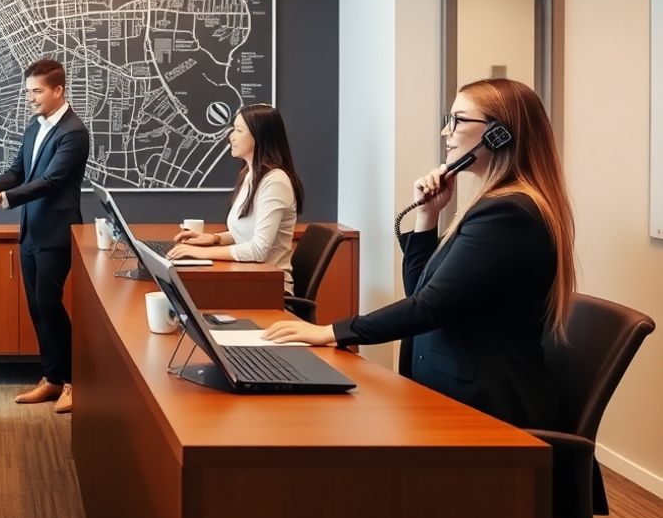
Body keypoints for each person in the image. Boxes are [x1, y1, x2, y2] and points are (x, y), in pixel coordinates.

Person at [264, 78, 574, 430]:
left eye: (458, 119)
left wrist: (333, 332)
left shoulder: (509, 214)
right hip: (450, 393)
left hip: (487, 410)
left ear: (498, 135)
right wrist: (427, 215)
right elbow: (421, 290)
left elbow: (430, 307)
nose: (446, 131)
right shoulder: (490, 207)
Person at [0, 58, 90, 414]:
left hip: (56, 234)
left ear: (58, 90)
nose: (30, 98)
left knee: (49, 305)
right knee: (36, 308)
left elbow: (52, 181)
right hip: (29, 233)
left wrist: (2, 200)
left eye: (36, 91)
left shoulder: (74, 131)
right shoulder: (34, 126)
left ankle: (75, 381)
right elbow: (19, 170)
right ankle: (53, 378)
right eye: (28, 91)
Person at [167, 104, 304, 292]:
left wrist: (200, 253)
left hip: (270, 289)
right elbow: (249, 232)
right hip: (248, 276)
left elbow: (258, 250)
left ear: (259, 137)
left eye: (239, 130)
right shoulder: (250, 175)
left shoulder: (275, 182)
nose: (231, 136)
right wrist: (213, 239)